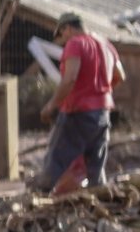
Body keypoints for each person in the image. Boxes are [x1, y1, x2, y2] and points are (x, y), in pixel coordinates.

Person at [31, 12, 123, 192]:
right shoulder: (105, 44)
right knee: (95, 169)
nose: (63, 40)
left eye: (62, 34)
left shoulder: (75, 44)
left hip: (77, 113)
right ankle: (100, 201)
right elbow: (120, 75)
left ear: (68, 28)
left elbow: (70, 79)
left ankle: (36, 197)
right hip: (103, 114)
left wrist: (51, 106)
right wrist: (101, 91)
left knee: (55, 160)